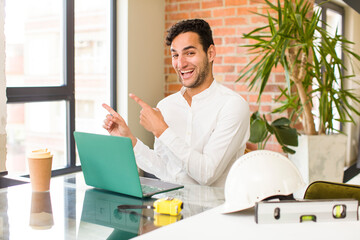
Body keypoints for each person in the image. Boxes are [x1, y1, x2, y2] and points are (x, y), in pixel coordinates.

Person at [103, 19, 250, 187]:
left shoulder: (232, 106)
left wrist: (161, 130)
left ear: (210, 54)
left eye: (189, 53)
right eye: (175, 55)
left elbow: (207, 174)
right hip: (169, 209)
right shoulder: (166, 106)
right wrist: (129, 140)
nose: (180, 64)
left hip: (212, 211)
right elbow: (165, 170)